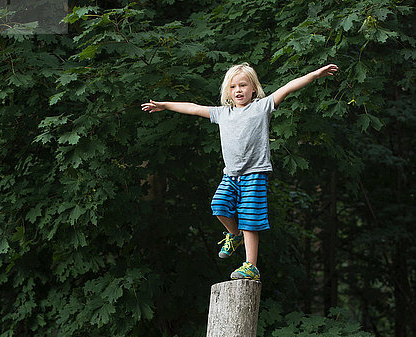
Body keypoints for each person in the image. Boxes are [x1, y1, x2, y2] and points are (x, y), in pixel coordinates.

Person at [141, 62, 338, 280]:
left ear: (253, 88)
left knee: (249, 219)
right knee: (218, 206)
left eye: (243, 85)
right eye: (233, 87)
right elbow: (193, 108)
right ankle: (234, 236)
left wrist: (315, 74)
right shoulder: (223, 114)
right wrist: (165, 105)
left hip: (255, 173)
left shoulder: (262, 107)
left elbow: (289, 87)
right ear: (228, 91)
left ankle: (250, 266)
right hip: (231, 174)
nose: (238, 90)